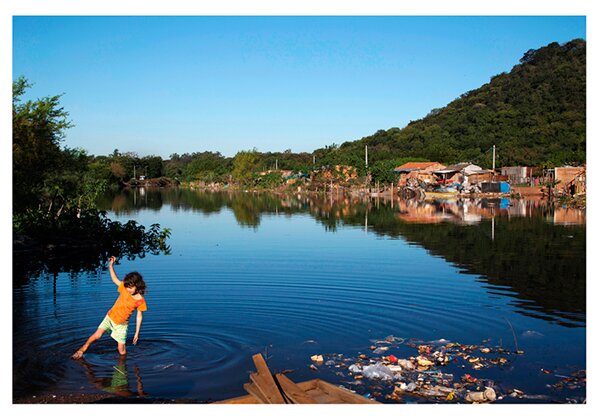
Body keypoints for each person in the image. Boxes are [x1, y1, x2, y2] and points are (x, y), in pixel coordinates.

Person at [72, 256, 147, 359]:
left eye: (131, 287)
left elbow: (139, 317)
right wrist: (111, 266)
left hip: (121, 325)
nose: (128, 289)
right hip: (110, 317)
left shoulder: (140, 300)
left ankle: (122, 365)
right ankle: (83, 349)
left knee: (121, 350)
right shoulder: (124, 289)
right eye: (127, 287)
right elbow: (114, 279)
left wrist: (137, 333)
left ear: (137, 285)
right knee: (97, 335)